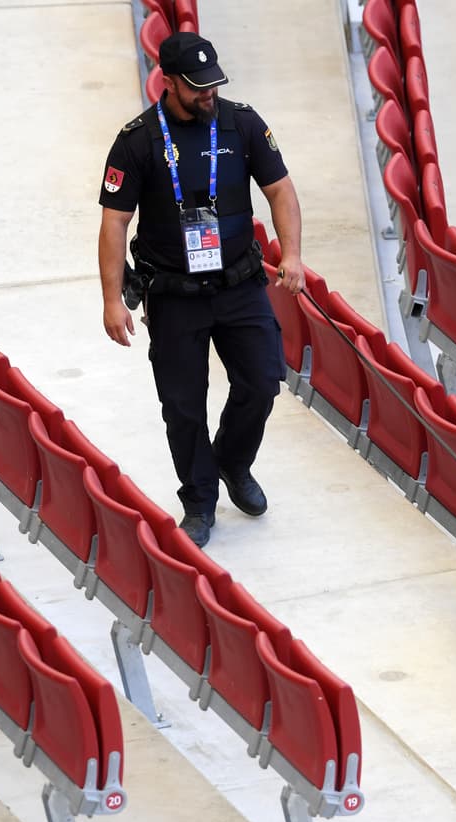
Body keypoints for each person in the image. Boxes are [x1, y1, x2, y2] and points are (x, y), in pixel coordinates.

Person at [98, 31, 303, 548]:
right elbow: (114, 223)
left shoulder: (243, 123)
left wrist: (293, 254)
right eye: (197, 87)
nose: (209, 94)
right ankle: (200, 500)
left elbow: (280, 189)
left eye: (213, 84)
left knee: (261, 380)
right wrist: (109, 299)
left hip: (239, 282)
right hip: (173, 294)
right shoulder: (138, 139)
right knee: (183, 404)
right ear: (168, 82)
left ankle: (232, 462)